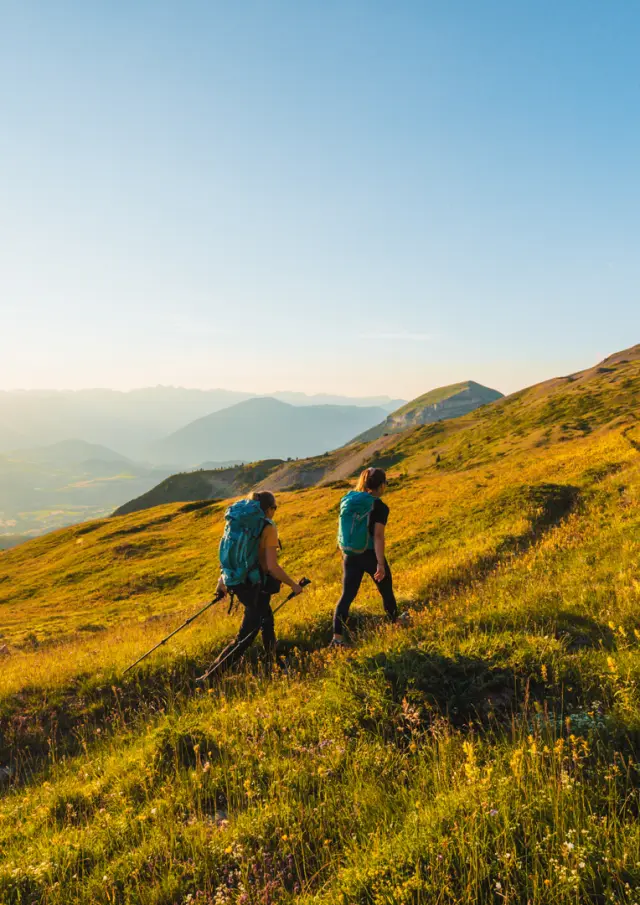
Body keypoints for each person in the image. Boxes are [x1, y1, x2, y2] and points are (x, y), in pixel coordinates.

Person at [201, 491, 304, 678]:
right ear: (269, 509)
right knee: (246, 636)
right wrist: (293, 585)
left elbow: (230, 556)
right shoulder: (267, 527)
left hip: (239, 582)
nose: (275, 512)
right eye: (275, 508)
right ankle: (210, 677)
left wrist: (221, 582)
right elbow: (272, 566)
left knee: (267, 621)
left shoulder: (239, 523)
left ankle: (275, 663)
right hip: (256, 586)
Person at [331, 467, 406, 647]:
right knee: (386, 589)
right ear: (381, 485)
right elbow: (378, 536)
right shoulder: (379, 506)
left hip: (350, 555)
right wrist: (380, 563)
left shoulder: (349, 500)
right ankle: (395, 622)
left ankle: (337, 639)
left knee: (347, 596)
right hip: (370, 554)